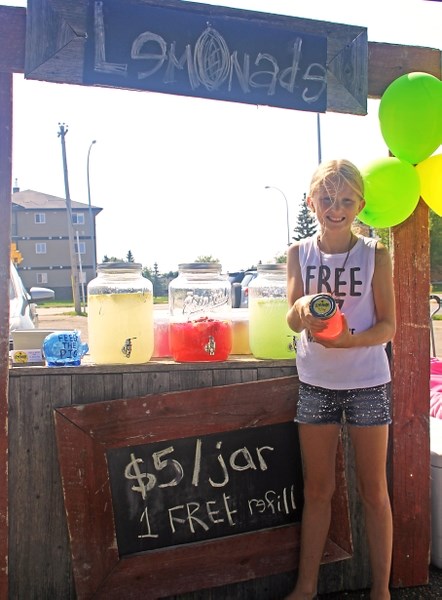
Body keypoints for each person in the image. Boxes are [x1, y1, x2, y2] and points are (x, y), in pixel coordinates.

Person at [285, 159, 396, 600]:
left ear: (361, 205)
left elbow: (387, 326)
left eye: (346, 200)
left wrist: (350, 342)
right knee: (317, 490)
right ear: (311, 201)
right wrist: (306, 306)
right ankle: (306, 586)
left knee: (374, 491)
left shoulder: (376, 253)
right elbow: (293, 321)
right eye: (327, 198)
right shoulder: (299, 253)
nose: (336, 207)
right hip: (315, 384)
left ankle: (382, 591)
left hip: (368, 382)